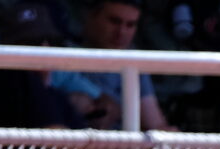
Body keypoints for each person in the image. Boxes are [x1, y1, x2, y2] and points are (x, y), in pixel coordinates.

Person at [48, 0, 174, 129]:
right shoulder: (60, 56)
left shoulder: (133, 60)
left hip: (123, 141)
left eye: (130, 25)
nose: (121, 32)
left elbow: (155, 124)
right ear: (90, 16)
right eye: (114, 21)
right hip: (70, 139)